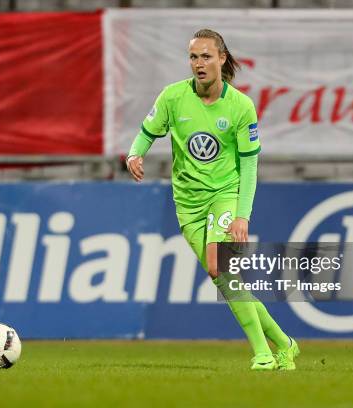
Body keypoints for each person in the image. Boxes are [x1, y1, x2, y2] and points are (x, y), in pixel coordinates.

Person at [126, 28, 299, 371]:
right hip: (188, 202)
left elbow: (249, 167)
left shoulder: (240, 107)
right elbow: (147, 132)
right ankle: (285, 342)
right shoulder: (173, 97)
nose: (199, 63)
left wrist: (241, 216)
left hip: (224, 194)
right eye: (193, 57)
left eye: (206, 56)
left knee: (220, 266)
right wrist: (134, 155)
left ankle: (263, 353)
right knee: (222, 276)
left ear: (222, 58)